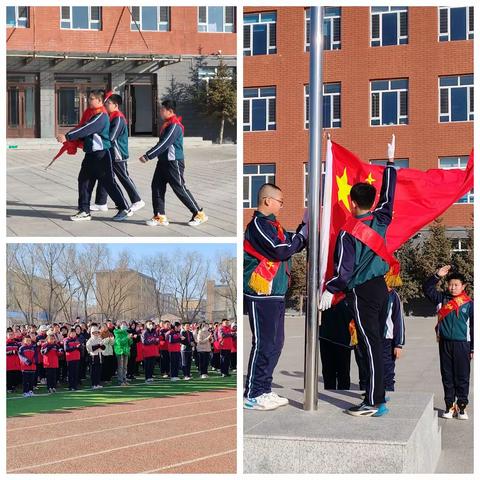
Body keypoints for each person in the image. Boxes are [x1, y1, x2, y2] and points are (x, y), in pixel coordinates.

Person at [319, 136, 397, 417]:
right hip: (380, 288)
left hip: (362, 291)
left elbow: (345, 270)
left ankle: (373, 402)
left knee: (370, 344)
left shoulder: (347, 232)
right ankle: (378, 396)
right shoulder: (381, 220)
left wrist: (330, 288)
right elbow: (389, 196)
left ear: (352, 203)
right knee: (374, 343)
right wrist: (389, 163)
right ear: (372, 201)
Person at [243, 183, 308, 410]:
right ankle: (253, 393)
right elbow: (281, 249)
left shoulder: (274, 226)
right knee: (264, 343)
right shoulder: (258, 225)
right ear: (268, 201)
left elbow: (290, 243)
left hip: (275, 293)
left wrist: (303, 230)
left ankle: (264, 389)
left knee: (276, 343)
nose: (281, 206)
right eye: (280, 202)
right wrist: (301, 236)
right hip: (261, 294)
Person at [56, 89, 132, 222]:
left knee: (109, 183)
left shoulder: (101, 116)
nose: (89, 101)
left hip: (102, 155)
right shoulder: (93, 114)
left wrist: (67, 136)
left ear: (99, 101)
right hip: (91, 154)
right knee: (83, 181)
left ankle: (124, 208)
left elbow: (86, 128)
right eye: (89, 98)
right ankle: (84, 211)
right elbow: (83, 128)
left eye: (92, 98)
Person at [139, 99, 207, 227]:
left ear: (170, 111)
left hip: (173, 162)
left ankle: (199, 213)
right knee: (157, 186)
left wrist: (148, 156)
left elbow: (164, 144)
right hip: (163, 162)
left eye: (162, 109)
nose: (160, 111)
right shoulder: (167, 124)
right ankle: (160, 215)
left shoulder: (174, 125)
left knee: (179, 188)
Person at [423, 265, 473, 420]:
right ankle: (449, 406)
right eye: (450, 284)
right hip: (444, 344)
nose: (452, 287)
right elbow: (426, 288)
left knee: (462, 376)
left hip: (462, 345)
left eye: (456, 285)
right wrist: (437, 275)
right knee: (447, 375)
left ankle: (462, 407)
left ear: (463, 286)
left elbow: (474, 328)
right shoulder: (441, 299)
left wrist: (473, 348)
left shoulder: (469, 304)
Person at [91, 93, 145, 214]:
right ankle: (101, 203)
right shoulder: (111, 116)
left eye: (108, 103)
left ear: (116, 105)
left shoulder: (118, 118)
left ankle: (137, 200)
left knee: (123, 177)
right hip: (110, 153)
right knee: (104, 176)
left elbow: (111, 137)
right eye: (106, 103)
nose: (106, 105)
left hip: (117, 154)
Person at [319, 300, 353, 390]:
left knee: (343, 373)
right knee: (328, 371)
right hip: (326, 336)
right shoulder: (326, 293)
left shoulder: (349, 295)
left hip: (343, 340)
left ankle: (343, 393)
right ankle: (329, 392)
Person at [383, 288, 405, 392]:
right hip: (370, 338)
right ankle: (369, 395)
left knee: (387, 371)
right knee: (368, 370)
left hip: (387, 340)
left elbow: (398, 320)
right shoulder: (367, 289)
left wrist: (398, 344)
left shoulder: (392, 294)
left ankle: (388, 393)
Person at [113, 322, 133, 386]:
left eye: (125, 325)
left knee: (125, 367)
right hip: (120, 351)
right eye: (123, 325)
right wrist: (127, 338)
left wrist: (130, 338)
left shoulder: (126, 333)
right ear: (120, 326)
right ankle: (120, 381)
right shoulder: (117, 333)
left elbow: (130, 343)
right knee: (120, 367)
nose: (124, 326)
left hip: (126, 351)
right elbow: (119, 342)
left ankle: (124, 379)